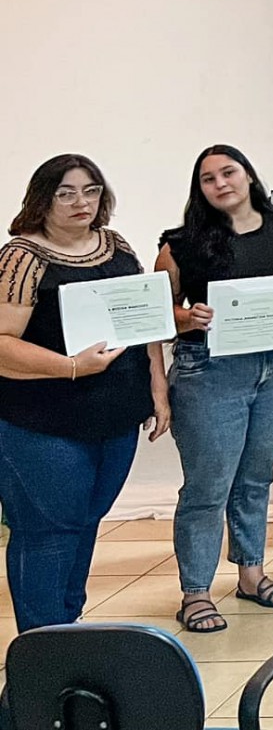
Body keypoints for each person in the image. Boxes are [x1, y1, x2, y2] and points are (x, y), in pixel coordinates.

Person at [0, 156, 168, 631]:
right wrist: (71, 367)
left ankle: (68, 634)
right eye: (66, 193)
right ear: (43, 200)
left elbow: (145, 321)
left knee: (86, 521)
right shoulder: (21, 257)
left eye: (91, 191)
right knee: (48, 533)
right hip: (41, 423)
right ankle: (41, 649)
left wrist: (157, 389)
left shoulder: (115, 245)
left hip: (115, 418)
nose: (82, 202)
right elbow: (2, 343)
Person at [157, 146, 273, 632]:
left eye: (228, 172)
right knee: (208, 488)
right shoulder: (181, 243)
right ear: (199, 189)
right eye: (208, 178)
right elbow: (158, 314)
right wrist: (187, 317)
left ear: (248, 175)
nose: (220, 183)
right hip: (209, 372)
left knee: (256, 477)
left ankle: (251, 573)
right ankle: (196, 593)